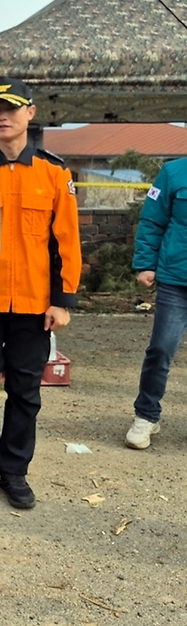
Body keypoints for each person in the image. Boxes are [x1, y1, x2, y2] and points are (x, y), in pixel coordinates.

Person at [0, 78, 81, 510]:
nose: (3, 117)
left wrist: (62, 300)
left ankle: (15, 471)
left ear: (29, 114)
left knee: (25, 391)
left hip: (35, 306)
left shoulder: (54, 172)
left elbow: (66, 242)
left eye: (12, 109)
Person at [125, 158, 187, 449]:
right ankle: (147, 415)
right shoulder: (174, 172)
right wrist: (145, 264)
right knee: (161, 348)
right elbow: (152, 219)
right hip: (176, 279)